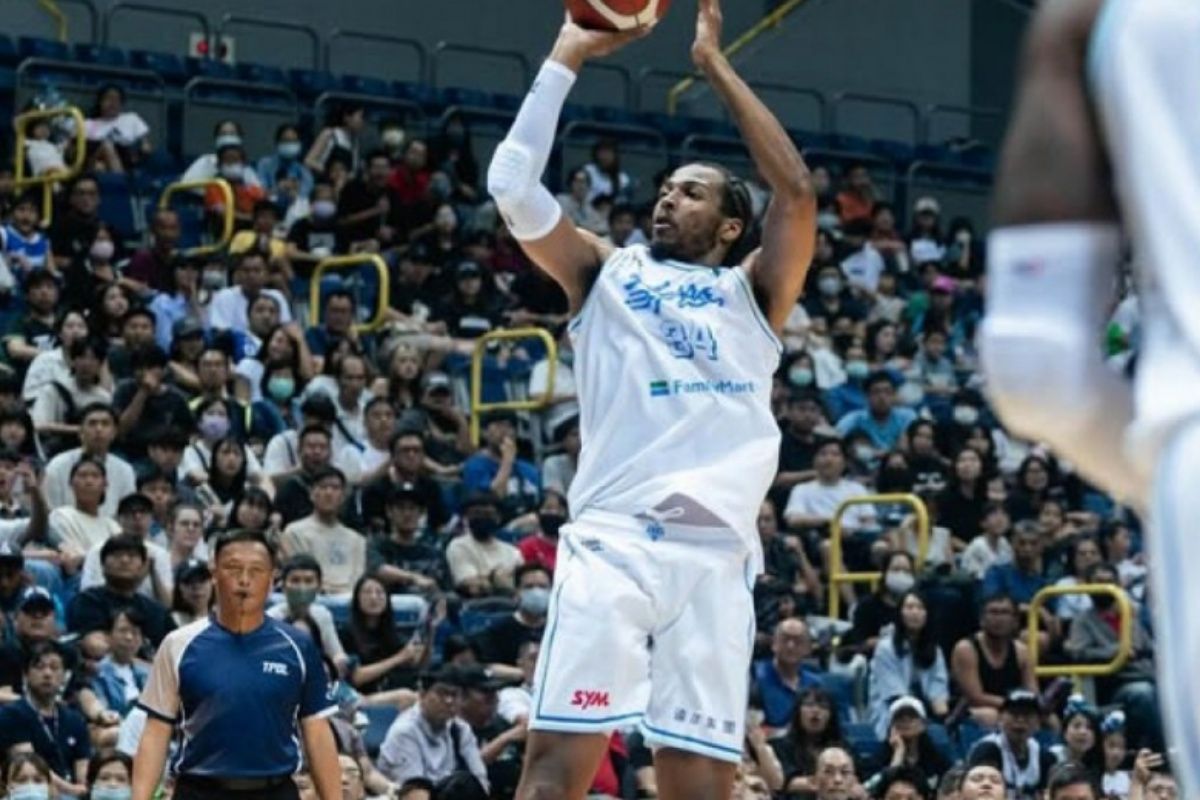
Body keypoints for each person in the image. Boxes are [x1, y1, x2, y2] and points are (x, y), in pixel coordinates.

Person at [486, 2, 816, 797]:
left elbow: (798, 192)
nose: (667, 200)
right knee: (552, 775)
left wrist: (714, 66)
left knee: (699, 787)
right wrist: (568, 52)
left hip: (715, 558)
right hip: (615, 543)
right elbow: (511, 186)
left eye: (691, 193)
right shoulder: (606, 270)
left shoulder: (755, 293)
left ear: (732, 226)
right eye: (665, 189)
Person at [131, 529, 341, 800]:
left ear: (272, 578)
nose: (244, 580)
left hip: (275, 792)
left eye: (256, 570)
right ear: (214, 573)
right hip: (198, 791)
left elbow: (317, 731)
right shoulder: (177, 644)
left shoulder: (299, 647)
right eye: (232, 568)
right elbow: (156, 730)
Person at [0, 641, 91, 796]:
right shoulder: (11, 714)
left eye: (54, 668)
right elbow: (29, 765)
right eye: (40, 667)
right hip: (30, 791)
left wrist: (83, 787)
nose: (47, 674)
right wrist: (71, 790)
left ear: (64, 676)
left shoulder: (75, 719)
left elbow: (83, 768)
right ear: (26, 675)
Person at [377, 665, 490, 790]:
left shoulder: (460, 729)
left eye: (454, 694)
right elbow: (414, 791)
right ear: (422, 694)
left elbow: (480, 779)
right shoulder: (404, 732)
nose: (449, 701)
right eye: (442, 693)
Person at [867, 592, 949, 738]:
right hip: (893, 712)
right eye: (909, 607)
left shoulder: (935, 650)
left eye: (920, 608)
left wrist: (944, 716)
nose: (915, 612)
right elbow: (896, 696)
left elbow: (938, 691)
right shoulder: (885, 648)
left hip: (926, 713)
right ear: (900, 613)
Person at [67, 535, 173, 646]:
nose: (124, 560)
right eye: (117, 555)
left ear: (143, 566)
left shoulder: (156, 611)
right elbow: (94, 646)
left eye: (132, 556)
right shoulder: (87, 601)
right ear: (103, 565)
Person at [950, 594, 1037, 727]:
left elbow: (1032, 691)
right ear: (982, 619)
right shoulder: (966, 649)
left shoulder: (1022, 651)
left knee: (1049, 719)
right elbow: (975, 697)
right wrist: (1013, 705)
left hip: (1012, 708)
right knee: (990, 716)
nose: (999, 618)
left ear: (1015, 621)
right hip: (970, 710)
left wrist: (1034, 706)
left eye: (1005, 613)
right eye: (993, 612)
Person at [968, 689, 1057, 800]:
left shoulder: (1045, 758)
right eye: (1014, 713)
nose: (1020, 720)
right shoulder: (987, 751)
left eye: (1027, 715)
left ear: (1038, 722)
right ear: (1000, 718)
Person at [471, 563, 551, 668]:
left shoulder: (560, 629)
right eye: (529, 587)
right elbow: (489, 667)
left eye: (543, 587)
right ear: (517, 593)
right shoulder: (496, 631)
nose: (537, 593)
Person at [752, 617, 824, 733]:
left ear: (808, 648)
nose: (791, 645)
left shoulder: (815, 684)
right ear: (774, 644)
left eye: (798, 641)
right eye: (785, 639)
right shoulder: (754, 675)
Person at [445, 492, 523, 598]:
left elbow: (523, 585)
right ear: (466, 517)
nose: (482, 518)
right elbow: (471, 585)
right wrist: (496, 578)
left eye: (488, 514)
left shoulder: (513, 552)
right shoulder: (458, 546)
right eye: (476, 513)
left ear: (498, 518)